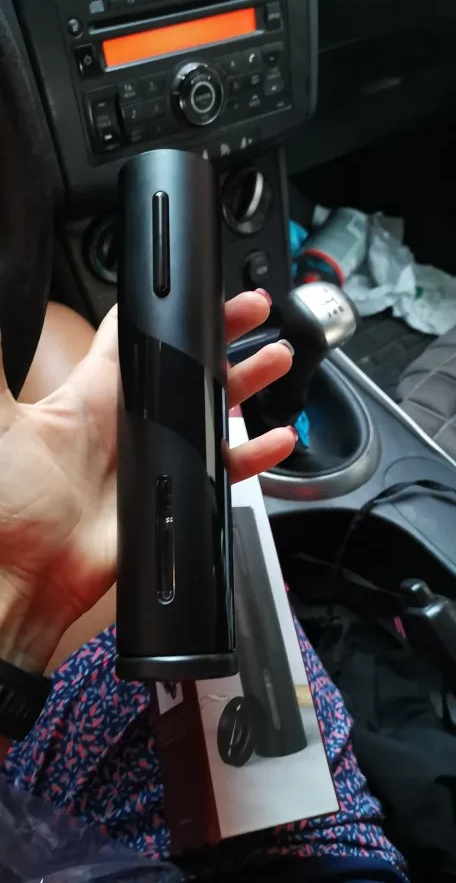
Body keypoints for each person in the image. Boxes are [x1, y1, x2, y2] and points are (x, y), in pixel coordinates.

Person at [0, 291, 408, 882]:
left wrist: (20, 597)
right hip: (309, 841)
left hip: (82, 815)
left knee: (59, 332)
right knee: (67, 337)